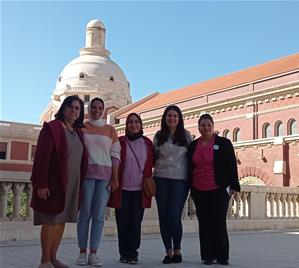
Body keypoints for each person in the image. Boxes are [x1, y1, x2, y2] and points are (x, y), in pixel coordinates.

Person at [30, 95, 88, 268]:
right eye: (70, 106)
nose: (74, 110)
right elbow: (41, 158)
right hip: (55, 182)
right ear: (63, 108)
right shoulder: (52, 128)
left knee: (61, 221)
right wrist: (41, 184)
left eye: (77, 108)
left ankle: (54, 258)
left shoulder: (78, 132)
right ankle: (45, 260)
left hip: (72, 184)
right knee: (51, 220)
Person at [188, 113, 241, 266]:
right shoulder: (193, 145)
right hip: (199, 189)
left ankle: (222, 256)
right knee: (204, 223)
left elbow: (232, 164)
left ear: (213, 126)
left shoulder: (224, 143)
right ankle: (208, 256)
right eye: (203, 125)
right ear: (198, 128)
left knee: (219, 222)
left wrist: (234, 186)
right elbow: (190, 167)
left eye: (208, 125)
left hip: (219, 188)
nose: (206, 128)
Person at [76, 97, 120, 267]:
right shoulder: (82, 127)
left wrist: (115, 178)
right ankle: (81, 251)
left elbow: (115, 155)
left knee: (99, 216)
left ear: (104, 109)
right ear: (89, 109)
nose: (96, 110)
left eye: (99, 107)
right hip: (86, 176)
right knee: (84, 214)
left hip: (104, 177)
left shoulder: (110, 130)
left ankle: (94, 252)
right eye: (93, 107)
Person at [108, 112, 154, 265]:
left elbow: (154, 163)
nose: (133, 125)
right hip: (122, 189)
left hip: (140, 191)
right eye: (130, 122)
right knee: (122, 222)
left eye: (136, 122)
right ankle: (123, 253)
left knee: (135, 222)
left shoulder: (147, 143)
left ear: (141, 125)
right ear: (126, 125)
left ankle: (133, 253)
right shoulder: (120, 142)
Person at [153, 105, 192, 264]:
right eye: (169, 116)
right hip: (161, 179)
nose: (172, 118)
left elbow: (193, 158)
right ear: (165, 118)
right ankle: (168, 251)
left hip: (180, 181)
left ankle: (178, 250)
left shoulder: (186, 135)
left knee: (174, 216)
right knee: (163, 217)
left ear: (179, 118)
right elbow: (152, 157)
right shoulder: (159, 136)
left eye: (175, 116)